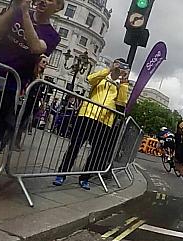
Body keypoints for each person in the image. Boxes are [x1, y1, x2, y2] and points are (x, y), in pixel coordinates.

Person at [0, 0, 62, 209]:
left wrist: (24, 14)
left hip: (10, 87)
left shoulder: (52, 35)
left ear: (58, 7)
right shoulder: (15, 12)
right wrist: (16, 6)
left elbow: (35, 47)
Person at [53, 58, 129, 189]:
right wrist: (109, 70)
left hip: (104, 121)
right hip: (87, 115)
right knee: (75, 146)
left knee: (96, 152)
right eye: (117, 65)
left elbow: (121, 103)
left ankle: (85, 177)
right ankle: (62, 174)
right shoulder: (102, 76)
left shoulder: (120, 85)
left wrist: (124, 82)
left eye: (120, 67)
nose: (118, 69)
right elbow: (90, 79)